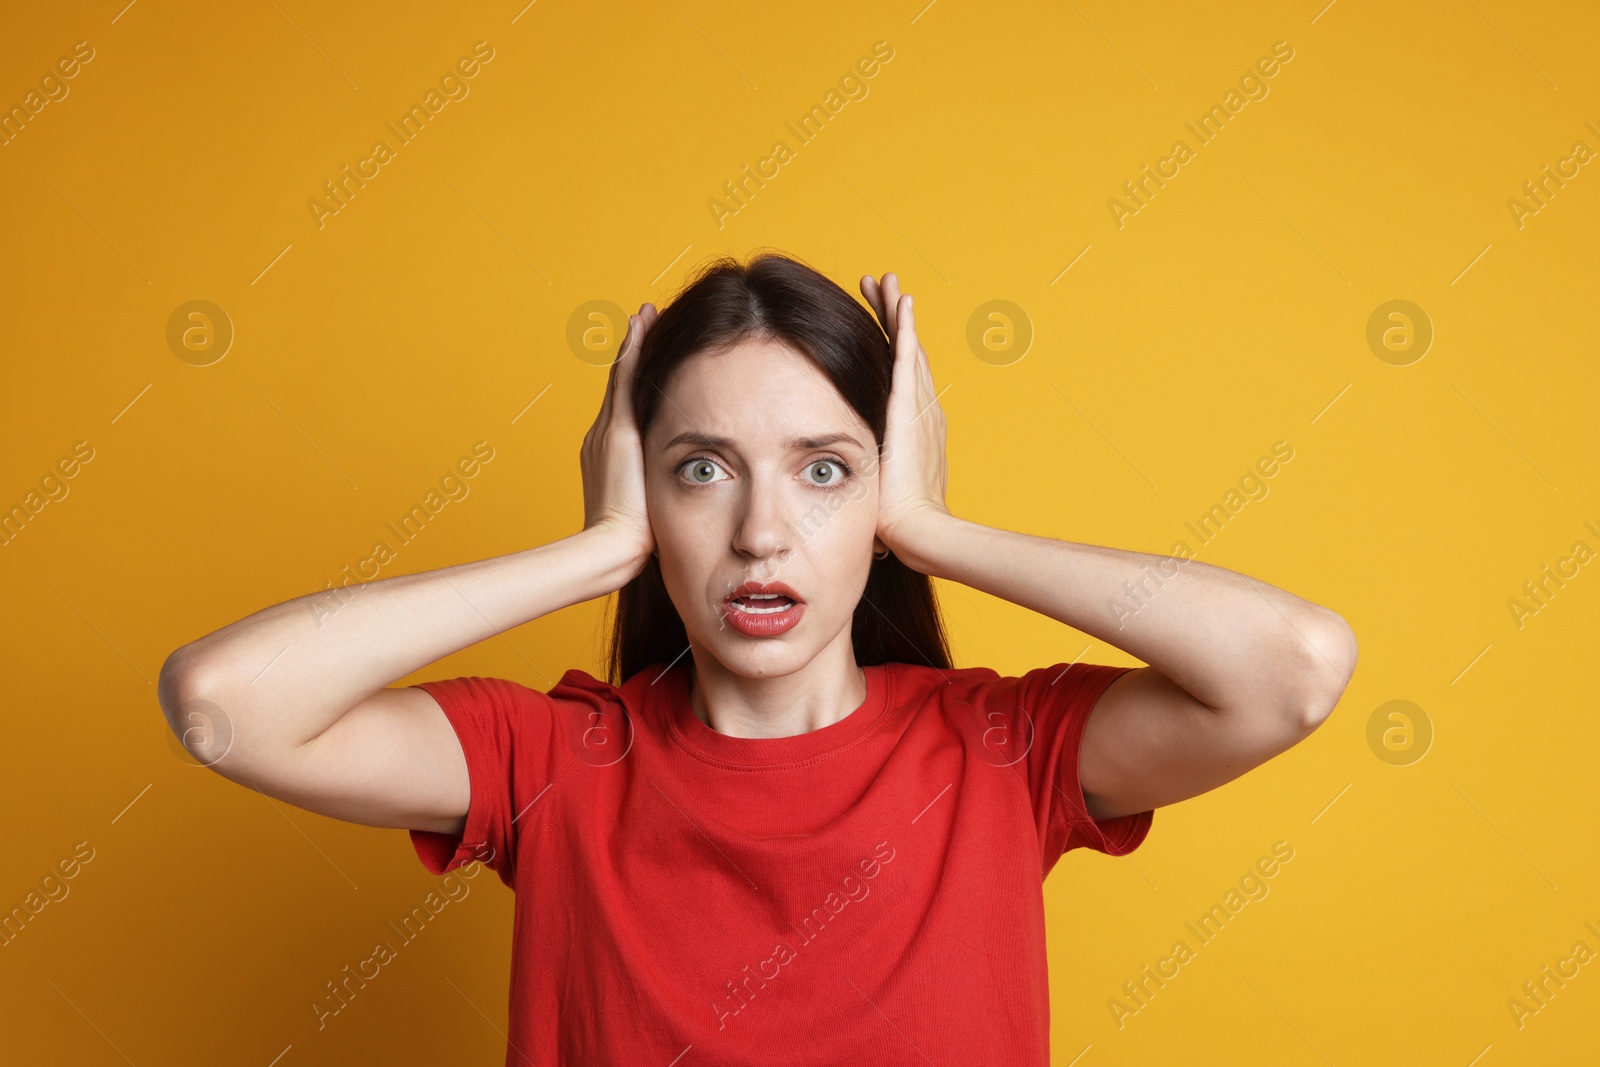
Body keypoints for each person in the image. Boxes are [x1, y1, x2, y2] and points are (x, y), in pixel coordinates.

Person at [157, 253, 1357, 1065]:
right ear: (646, 487)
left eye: (825, 467)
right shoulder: (553, 759)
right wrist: (598, 552)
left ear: (883, 488)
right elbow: (224, 704)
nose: (761, 532)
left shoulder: (998, 751)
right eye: (701, 467)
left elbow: (1294, 666)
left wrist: (936, 530)